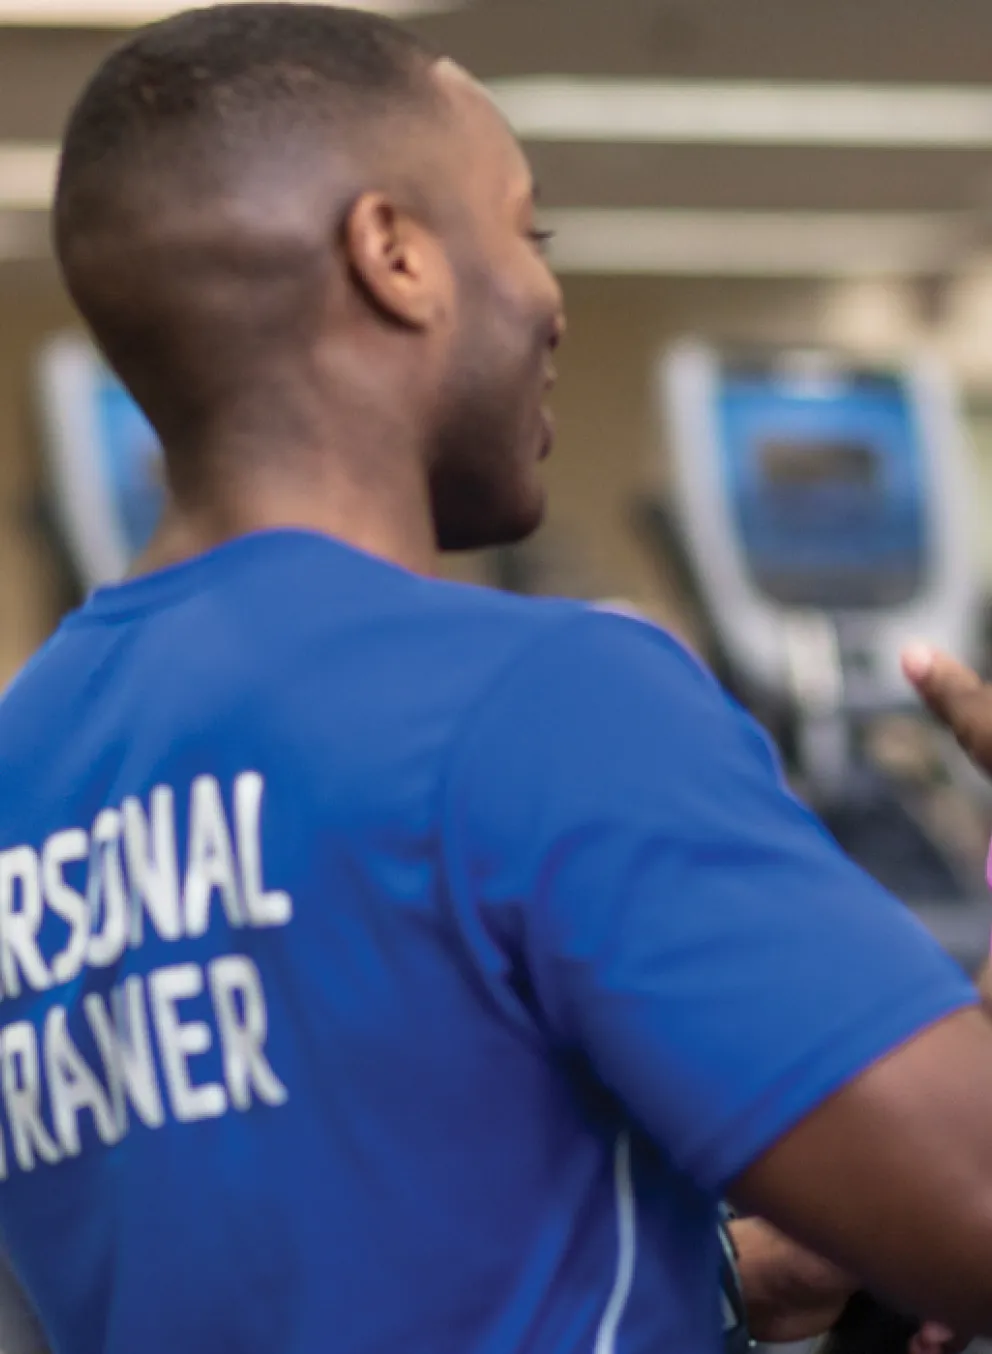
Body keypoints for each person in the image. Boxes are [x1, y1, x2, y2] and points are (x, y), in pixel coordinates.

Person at [7, 5, 992, 1352]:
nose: (550, 300)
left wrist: (717, 1278)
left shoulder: (26, 762)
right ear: (394, 255)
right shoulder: (547, 700)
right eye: (527, 234)